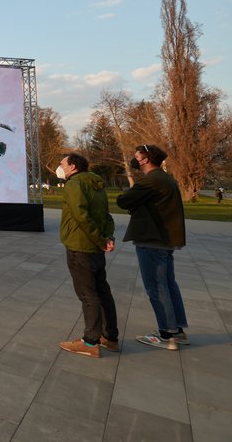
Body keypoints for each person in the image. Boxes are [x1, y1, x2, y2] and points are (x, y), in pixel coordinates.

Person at [117, 144, 189, 350]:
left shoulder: (151, 180)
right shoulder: (166, 178)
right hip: (165, 239)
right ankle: (178, 329)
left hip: (152, 239)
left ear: (146, 159)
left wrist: (128, 196)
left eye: (137, 156)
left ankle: (167, 333)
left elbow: (124, 200)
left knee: (156, 286)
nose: (134, 159)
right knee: (168, 284)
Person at [56, 152, 119, 358]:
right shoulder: (96, 184)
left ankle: (90, 341)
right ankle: (109, 336)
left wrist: (101, 240)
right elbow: (106, 216)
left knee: (87, 294)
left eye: (62, 164)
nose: (60, 167)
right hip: (95, 248)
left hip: (80, 246)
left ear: (73, 166)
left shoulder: (74, 185)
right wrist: (107, 238)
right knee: (102, 291)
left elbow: (81, 216)